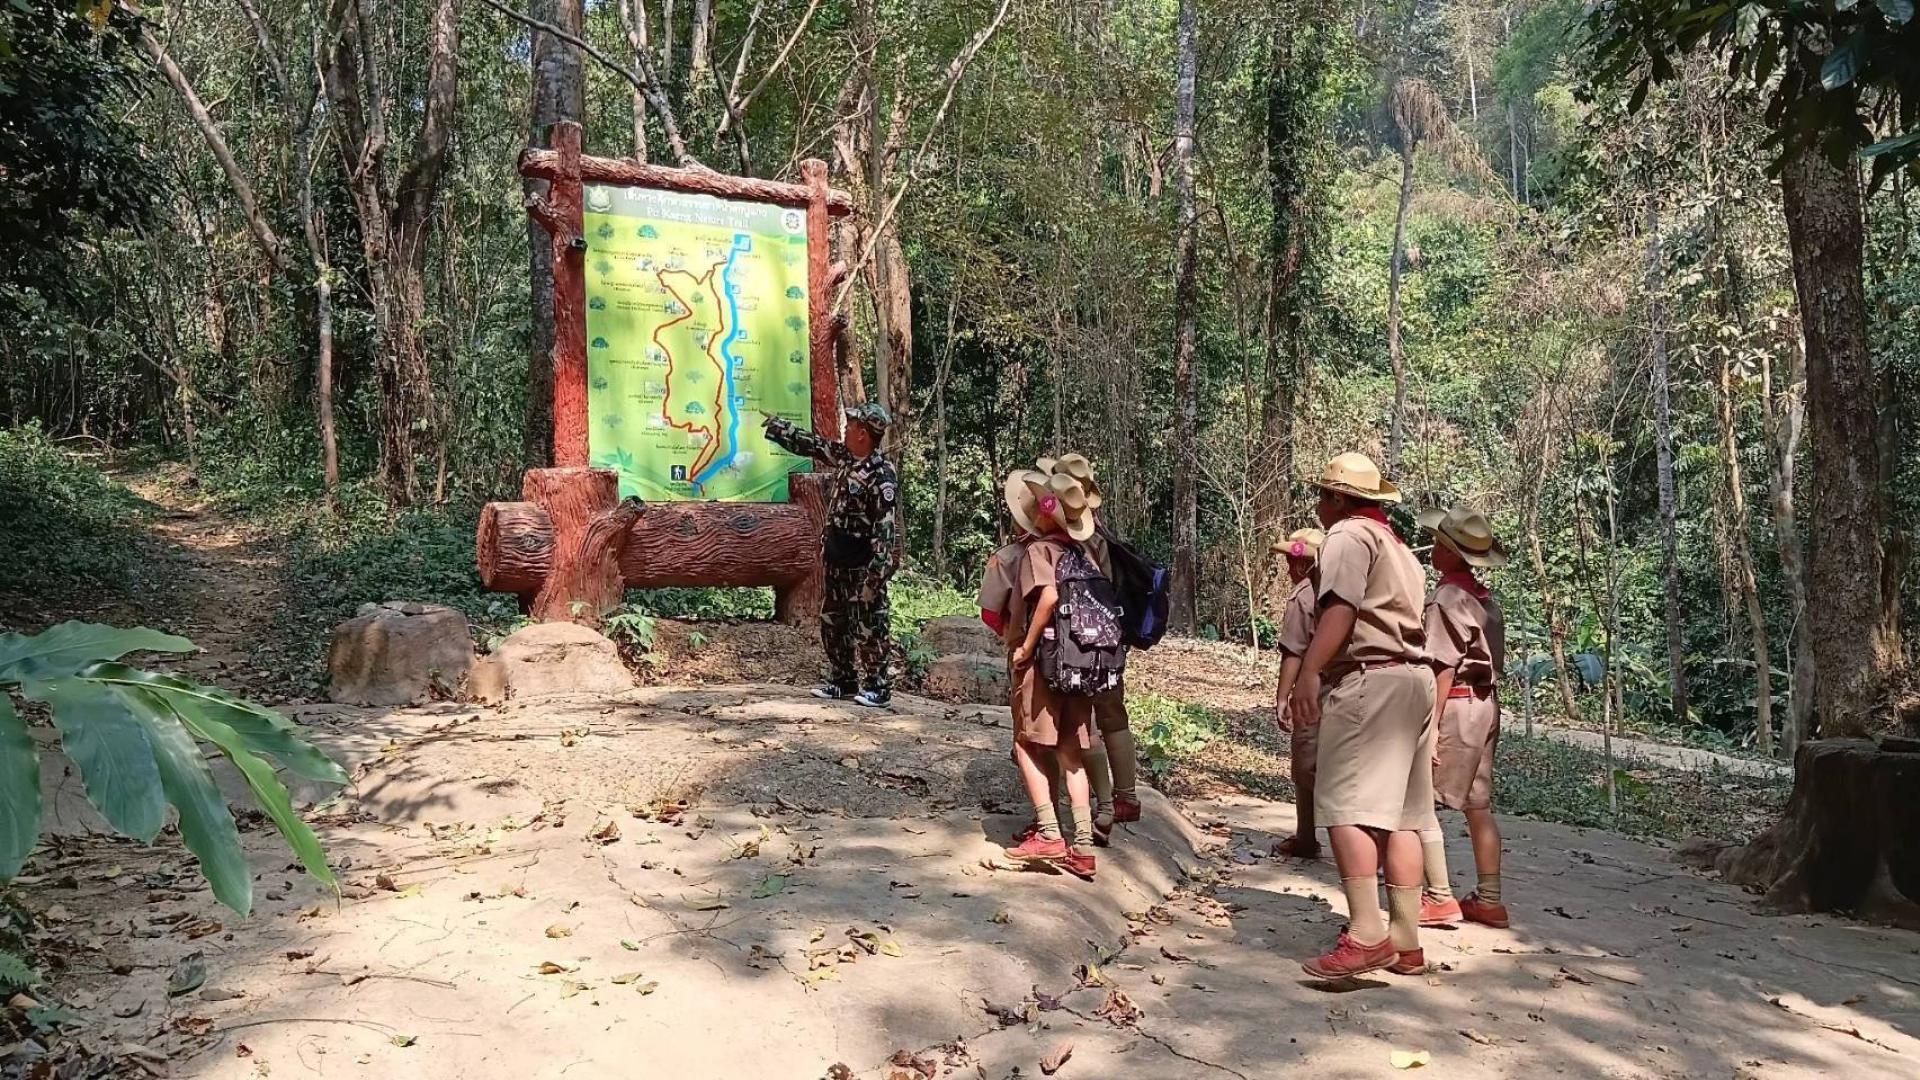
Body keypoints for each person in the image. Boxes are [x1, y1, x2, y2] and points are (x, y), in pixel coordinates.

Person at [1289, 452, 1439, 979]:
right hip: (1414, 680)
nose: (1318, 505)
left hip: (1370, 680)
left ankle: (1367, 934)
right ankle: (1405, 938)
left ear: (1336, 499)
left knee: (1344, 805)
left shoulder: (1348, 536)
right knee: (1404, 817)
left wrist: (1311, 670)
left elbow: (1341, 608)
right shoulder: (1400, 548)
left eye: (1321, 496)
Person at [979, 470, 1113, 848]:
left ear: (1044, 513)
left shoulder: (1036, 552)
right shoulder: (1083, 553)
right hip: (1082, 666)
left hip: (1045, 662)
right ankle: (1082, 842)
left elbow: (1048, 597)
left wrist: (1024, 646)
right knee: (1070, 752)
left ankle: (1049, 831)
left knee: (1027, 743)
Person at [763, 403, 898, 708]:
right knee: (833, 623)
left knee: (870, 626)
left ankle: (878, 687)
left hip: (863, 566)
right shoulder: (846, 457)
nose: (846, 430)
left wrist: (874, 578)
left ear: (863, 434)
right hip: (837, 561)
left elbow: (884, 531)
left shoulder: (882, 475)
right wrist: (780, 427)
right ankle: (843, 680)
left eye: (851, 426)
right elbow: (813, 445)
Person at [1416, 505, 1511, 929]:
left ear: (1452, 553)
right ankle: (1489, 899)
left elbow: (1442, 666)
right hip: (1484, 705)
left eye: (1439, 543)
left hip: (1454, 704)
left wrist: (1431, 727)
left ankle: (1437, 896)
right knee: (1478, 804)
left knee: (1419, 800)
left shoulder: (1447, 600)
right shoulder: (1485, 600)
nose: (1433, 549)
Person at [1038, 453, 1141, 833]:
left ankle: (1103, 804)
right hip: (1110, 638)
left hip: (1078, 642)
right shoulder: (1101, 532)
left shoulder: (1073, 540)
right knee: (1112, 713)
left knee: (1086, 722)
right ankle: (1125, 796)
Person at [1268, 527, 1326, 859]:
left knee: (1306, 763)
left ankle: (1307, 836)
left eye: (1292, 562)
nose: (1289, 569)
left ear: (1304, 564)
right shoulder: (1343, 591)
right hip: (1351, 687)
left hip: (1315, 691)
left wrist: (1282, 697)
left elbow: (1293, 650)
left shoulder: (1304, 594)